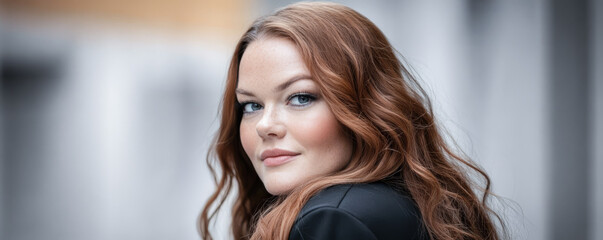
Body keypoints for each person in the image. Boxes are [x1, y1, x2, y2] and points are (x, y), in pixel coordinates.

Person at [200, 2, 503, 240]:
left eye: (301, 97)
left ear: (366, 107)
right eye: (251, 105)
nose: (265, 125)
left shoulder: (333, 220)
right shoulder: (408, 205)